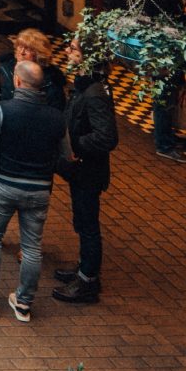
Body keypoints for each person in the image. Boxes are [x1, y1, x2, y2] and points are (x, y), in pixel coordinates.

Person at [0, 54, 67, 323]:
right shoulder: (57, 118)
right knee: (32, 246)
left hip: (4, 183)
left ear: (18, 80)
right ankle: (23, 302)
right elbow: (65, 153)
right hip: (39, 189)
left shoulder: (3, 110)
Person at [53, 57, 120, 306]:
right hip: (80, 170)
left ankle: (88, 280)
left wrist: (77, 147)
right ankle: (84, 268)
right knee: (82, 221)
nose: (69, 51)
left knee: (88, 224)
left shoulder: (95, 93)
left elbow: (107, 137)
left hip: (88, 171)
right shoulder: (87, 86)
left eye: (74, 48)